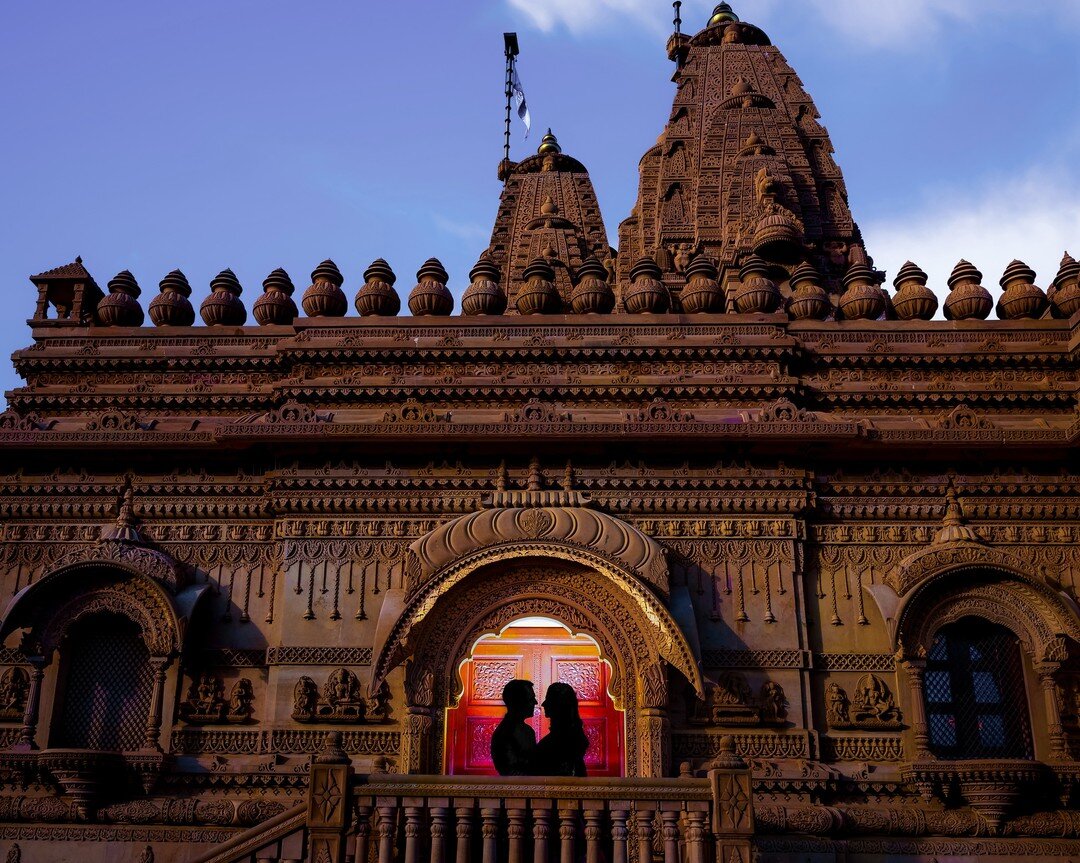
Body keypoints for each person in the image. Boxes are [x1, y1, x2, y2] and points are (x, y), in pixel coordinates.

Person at [531, 682, 589, 777]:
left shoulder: (560, 742)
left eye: (548, 700)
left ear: (559, 705)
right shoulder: (572, 737)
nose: (543, 704)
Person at [490, 679, 538, 776]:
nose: (535, 702)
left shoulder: (528, 731)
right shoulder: (505, 734)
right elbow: (510, 772)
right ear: (518, 702)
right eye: (530, 699)